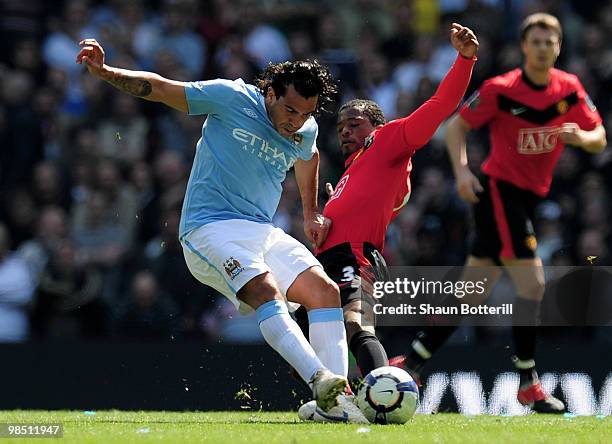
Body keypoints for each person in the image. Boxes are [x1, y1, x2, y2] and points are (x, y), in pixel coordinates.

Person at [76, 38, 360, 418]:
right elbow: (161, 88)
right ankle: (320, 380)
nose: (295, 121)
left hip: (260, 230)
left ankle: (335, 408)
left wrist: (310, 212)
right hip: (208, 228)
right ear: (270, 93)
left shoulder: (304, 128)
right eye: (289, 109)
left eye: (304, 114)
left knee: (325, 291)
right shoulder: (231, 98)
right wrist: (106, 72)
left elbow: (309, 157)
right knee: (265, 289)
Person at [396, 13, 606, 413]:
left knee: (472, 291)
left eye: (551, 42)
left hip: (528, 197)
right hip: (499, 192)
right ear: (524, 47)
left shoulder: (569, 89)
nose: (544, 48)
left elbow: (600, 138)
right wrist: (460, 174)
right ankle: (528, 382)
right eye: (537, 41)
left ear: (559, 47)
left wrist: (582, 136)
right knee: (533, 286)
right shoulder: (501, 88)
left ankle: (414, 361)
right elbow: (456, 127)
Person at [295, 23, 479, 420]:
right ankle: (341, 402)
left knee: (353, 324)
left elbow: (438, 106)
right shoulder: (350, 171)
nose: (345, 130)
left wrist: (464, 61)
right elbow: (384, 201)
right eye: (341, 126)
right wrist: (328, 216)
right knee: (306, 330)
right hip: (329, 256)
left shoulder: (389, 141)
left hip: (355, 254)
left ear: (376, 126)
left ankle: (386, 397)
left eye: (355, 123)